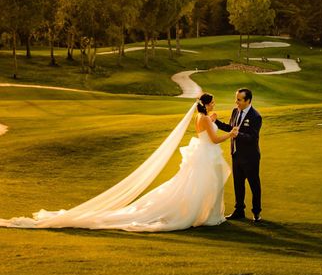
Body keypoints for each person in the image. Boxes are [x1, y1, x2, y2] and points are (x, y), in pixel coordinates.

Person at [0, 93, 238, 231]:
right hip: (207, 154)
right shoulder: (205, 118)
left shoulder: (203, 117)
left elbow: (208, 127)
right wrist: (232, 134)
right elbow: (215, 139)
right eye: (213, 103)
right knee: (201, 186)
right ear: (207, 104)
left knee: (198, 186)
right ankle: (206, 217)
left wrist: (214, 120)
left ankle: (209, 215)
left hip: (203, 154)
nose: (214, 106)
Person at [215, 88, 262, 222]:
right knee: (238, 184)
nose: (236, 102)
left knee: (254, 185)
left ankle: (256, 212)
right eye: (236, 99)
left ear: (248, 101)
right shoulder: (235, 111)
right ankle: (239, 210)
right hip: (236, 155)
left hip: (250, 157)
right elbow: (231, 129)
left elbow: (253, 138)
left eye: (239, 100)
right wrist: (215, 122)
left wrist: (238, 134)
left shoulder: (255, 116)